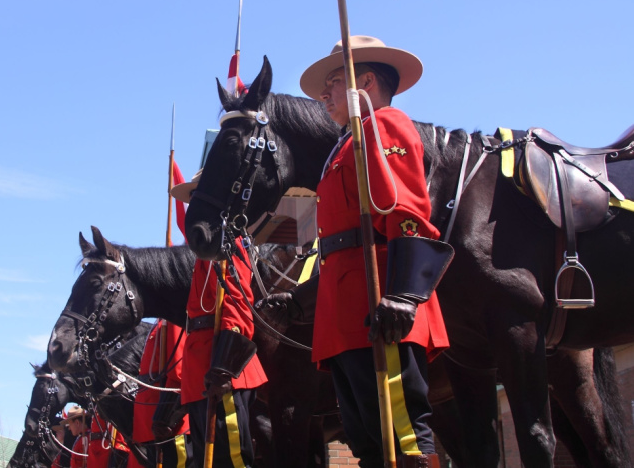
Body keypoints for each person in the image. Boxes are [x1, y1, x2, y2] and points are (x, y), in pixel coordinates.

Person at [265, 36, 452, 468]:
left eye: (333, 83)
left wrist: (405, 293)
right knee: (367, 441)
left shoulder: (385, 124)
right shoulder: (343, 146)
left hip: (379, 303)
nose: (323, 95)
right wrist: (299, 300)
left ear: (365, 82)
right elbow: (340, 244)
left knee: (402, 435)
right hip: (345, 309)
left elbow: (406, 211)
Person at [171, 172, 267, 468]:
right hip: (200, 364)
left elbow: (238, 303)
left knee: (232, 458)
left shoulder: (230, 242)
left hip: (221, 363)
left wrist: (224, 365)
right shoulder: (205, 252)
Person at [128, 319, 193, 467]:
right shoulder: (159, 324)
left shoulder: (172, 321)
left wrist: (166, 417)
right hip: (153, 422)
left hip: (169, 423)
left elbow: (178, 372)